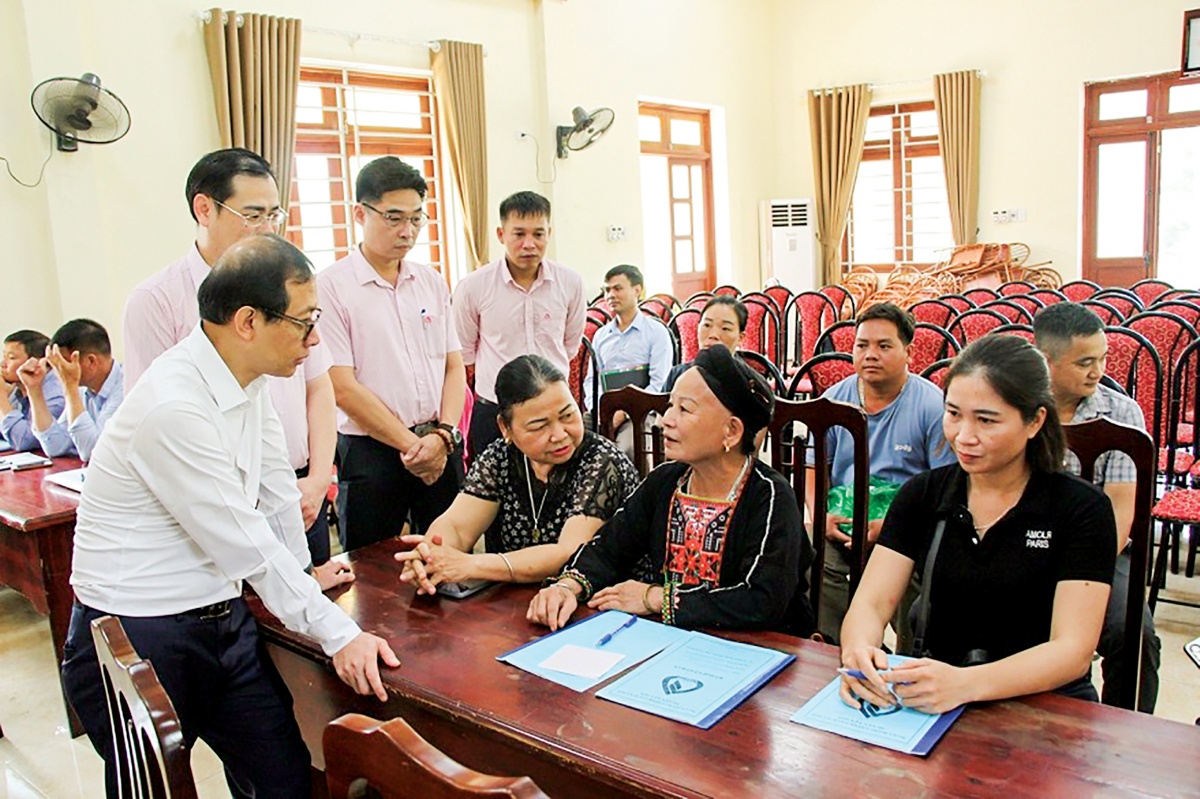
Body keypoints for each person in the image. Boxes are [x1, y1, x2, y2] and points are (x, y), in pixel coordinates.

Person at [61, 235, 398, 799]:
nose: (314, 340)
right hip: (141, 628)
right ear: (247, 322)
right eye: (304, 322)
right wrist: (340, 634)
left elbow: (276, 492)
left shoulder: (248, 380)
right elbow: (243, 539)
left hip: (221, 614)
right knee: (152, 787)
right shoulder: (173, 405)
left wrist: (304, 575)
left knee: (283, 774)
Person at [839, 335, 1116, 714]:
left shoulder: (1081, 509)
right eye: (953, 414)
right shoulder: (924, 494)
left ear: (1035, 421)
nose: (964, 436)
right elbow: (871, 603)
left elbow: (1072, 651)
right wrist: (859, 651)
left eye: (986, 420)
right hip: (936, 694)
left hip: (1042, 704)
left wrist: (965, 684)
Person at [123, 147, 337, 563]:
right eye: (253, 215)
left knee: (310, 594)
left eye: (274, 215)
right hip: (216, 505)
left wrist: (316, 480)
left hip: (297, 491)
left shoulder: (290, 285)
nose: (267, 230)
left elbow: (319, 386)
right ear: (204, 209)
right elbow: (153, 423)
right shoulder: (156, 300)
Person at [528, 344, 814, 634]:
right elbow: (609, 548)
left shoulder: (770, 496)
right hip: (672, 642)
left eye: (684, 409)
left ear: (731, 431)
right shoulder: (666, 481)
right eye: (670, 406)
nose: (666, 420)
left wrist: (654, 598)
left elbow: (761, 600)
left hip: (762, 648)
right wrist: (567, 587)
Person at [318, 156, 467, 551]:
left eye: (417, 219)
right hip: (372, 452)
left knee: (449, 555)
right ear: (360, 214)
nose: (407, 231)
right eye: (394, 218)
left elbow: (453, 367)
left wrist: (444, 435)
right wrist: (413, 447)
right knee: (371, 564)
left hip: (439, 439)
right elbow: (342, 387)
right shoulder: (331, 288)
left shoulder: (431, 281)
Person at [396, 355, 641, 592]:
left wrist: (470, 565)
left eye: (567, 415)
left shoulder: (601, 461)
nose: (559, 435)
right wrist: (430, 556)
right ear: (506, 428)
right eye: (539, 426)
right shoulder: (500, 457)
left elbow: (569, 552)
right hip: (516, 602)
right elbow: (456, 525)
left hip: (598, 601)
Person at [1034, 302, 1161, 712]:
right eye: (1085, 362)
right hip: (1027, 543)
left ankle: (1125, 729)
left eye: (1102, 359)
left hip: (1101, 550)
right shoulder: (1019, 406)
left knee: (1133, 634)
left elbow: (1121, 513)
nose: (1098, 371)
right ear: (1046, 361)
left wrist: (1080, 575)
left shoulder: (1121, 413)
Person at [806, 303, 955, 645]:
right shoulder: (835, 401)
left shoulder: (932, 407)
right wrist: (821, 516)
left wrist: (893, 525)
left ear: (908, 352)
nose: (870, 354)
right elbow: (814, 467)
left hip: (908, 526)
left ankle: (907, 656)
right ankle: (841, 647)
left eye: (884, 346)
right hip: (844, 519)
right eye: (862, 345)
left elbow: (944, 485)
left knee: (919, 568)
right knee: (809, 554)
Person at [453, 191, 586, 457]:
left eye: (538, 234)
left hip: (554, 410)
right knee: (496, 482)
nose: (529, 244)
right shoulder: (473, 287)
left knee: (558, 481)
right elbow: (465, 352)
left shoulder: (570, 283)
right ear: (501, 234)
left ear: (549, 234)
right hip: (496, 410)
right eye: (519, 234)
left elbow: (570, 345)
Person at [587, 264, 674, 456]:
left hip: (642, 412)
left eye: (617, 288)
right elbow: (591, 381)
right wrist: (600, 410)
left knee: (627, 449)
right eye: (607, 290)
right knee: (572, 439)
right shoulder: (601, 335)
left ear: (637, 290)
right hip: (604, 411)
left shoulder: (656, 332)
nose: (611, 295)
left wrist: (624, 412)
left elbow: (659, 383)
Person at [20, 319, 123, 461]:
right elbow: (55, 446)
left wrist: (70, 389)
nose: (58, 371)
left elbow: (92, 452)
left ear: (91, 361)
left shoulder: (126, 388)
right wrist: (34, 390)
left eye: (63, 363)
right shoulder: (82, 389)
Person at [662, 295, 747, 393]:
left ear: (740, 338)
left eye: (725, 328)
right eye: (707, 325)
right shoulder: (677, 375)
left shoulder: (747, 382)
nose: (713, 335)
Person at [1, 330, 65, 452]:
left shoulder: (56, 391)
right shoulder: (17, 389)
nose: (3, 364)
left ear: (35, 363)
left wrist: (1, 398)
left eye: (11, 358)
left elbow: (24, 441)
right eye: (4, 357)